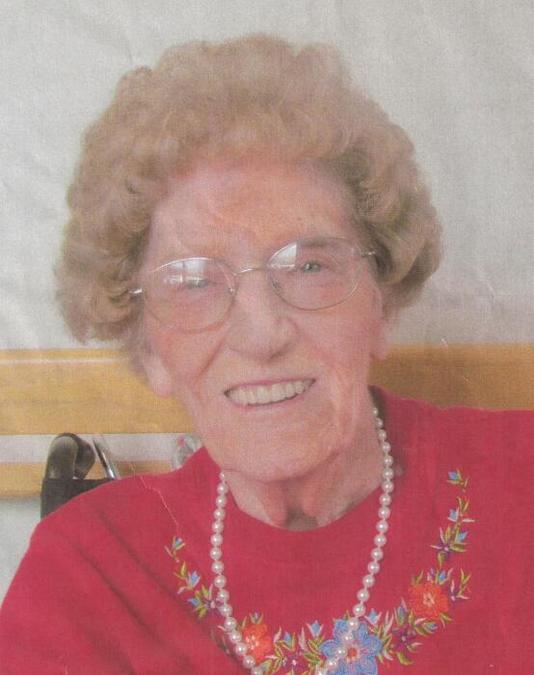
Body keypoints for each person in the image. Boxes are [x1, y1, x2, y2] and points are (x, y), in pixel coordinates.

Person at [1, 34, 533, 675]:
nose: (261, 333)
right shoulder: (91, 570)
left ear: (382, 302)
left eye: (309, 266)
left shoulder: (521, 484)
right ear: (149, 346)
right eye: (194, 281)